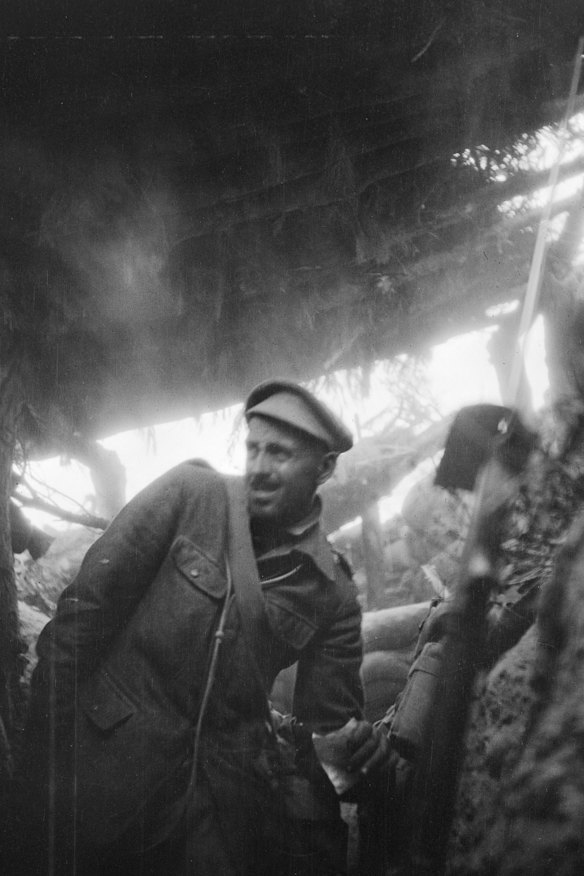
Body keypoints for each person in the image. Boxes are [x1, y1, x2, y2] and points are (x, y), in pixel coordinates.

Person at [10, 379, 389, 876]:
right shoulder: (191, 495)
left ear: (324, 468)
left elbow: (327, 736)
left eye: (279, 454)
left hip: (213, 813)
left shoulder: (332, 593)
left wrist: (356, 755)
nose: (259, 468)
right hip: (103, 772)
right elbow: (76, 627)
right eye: (253, 449)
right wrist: (42, 772)